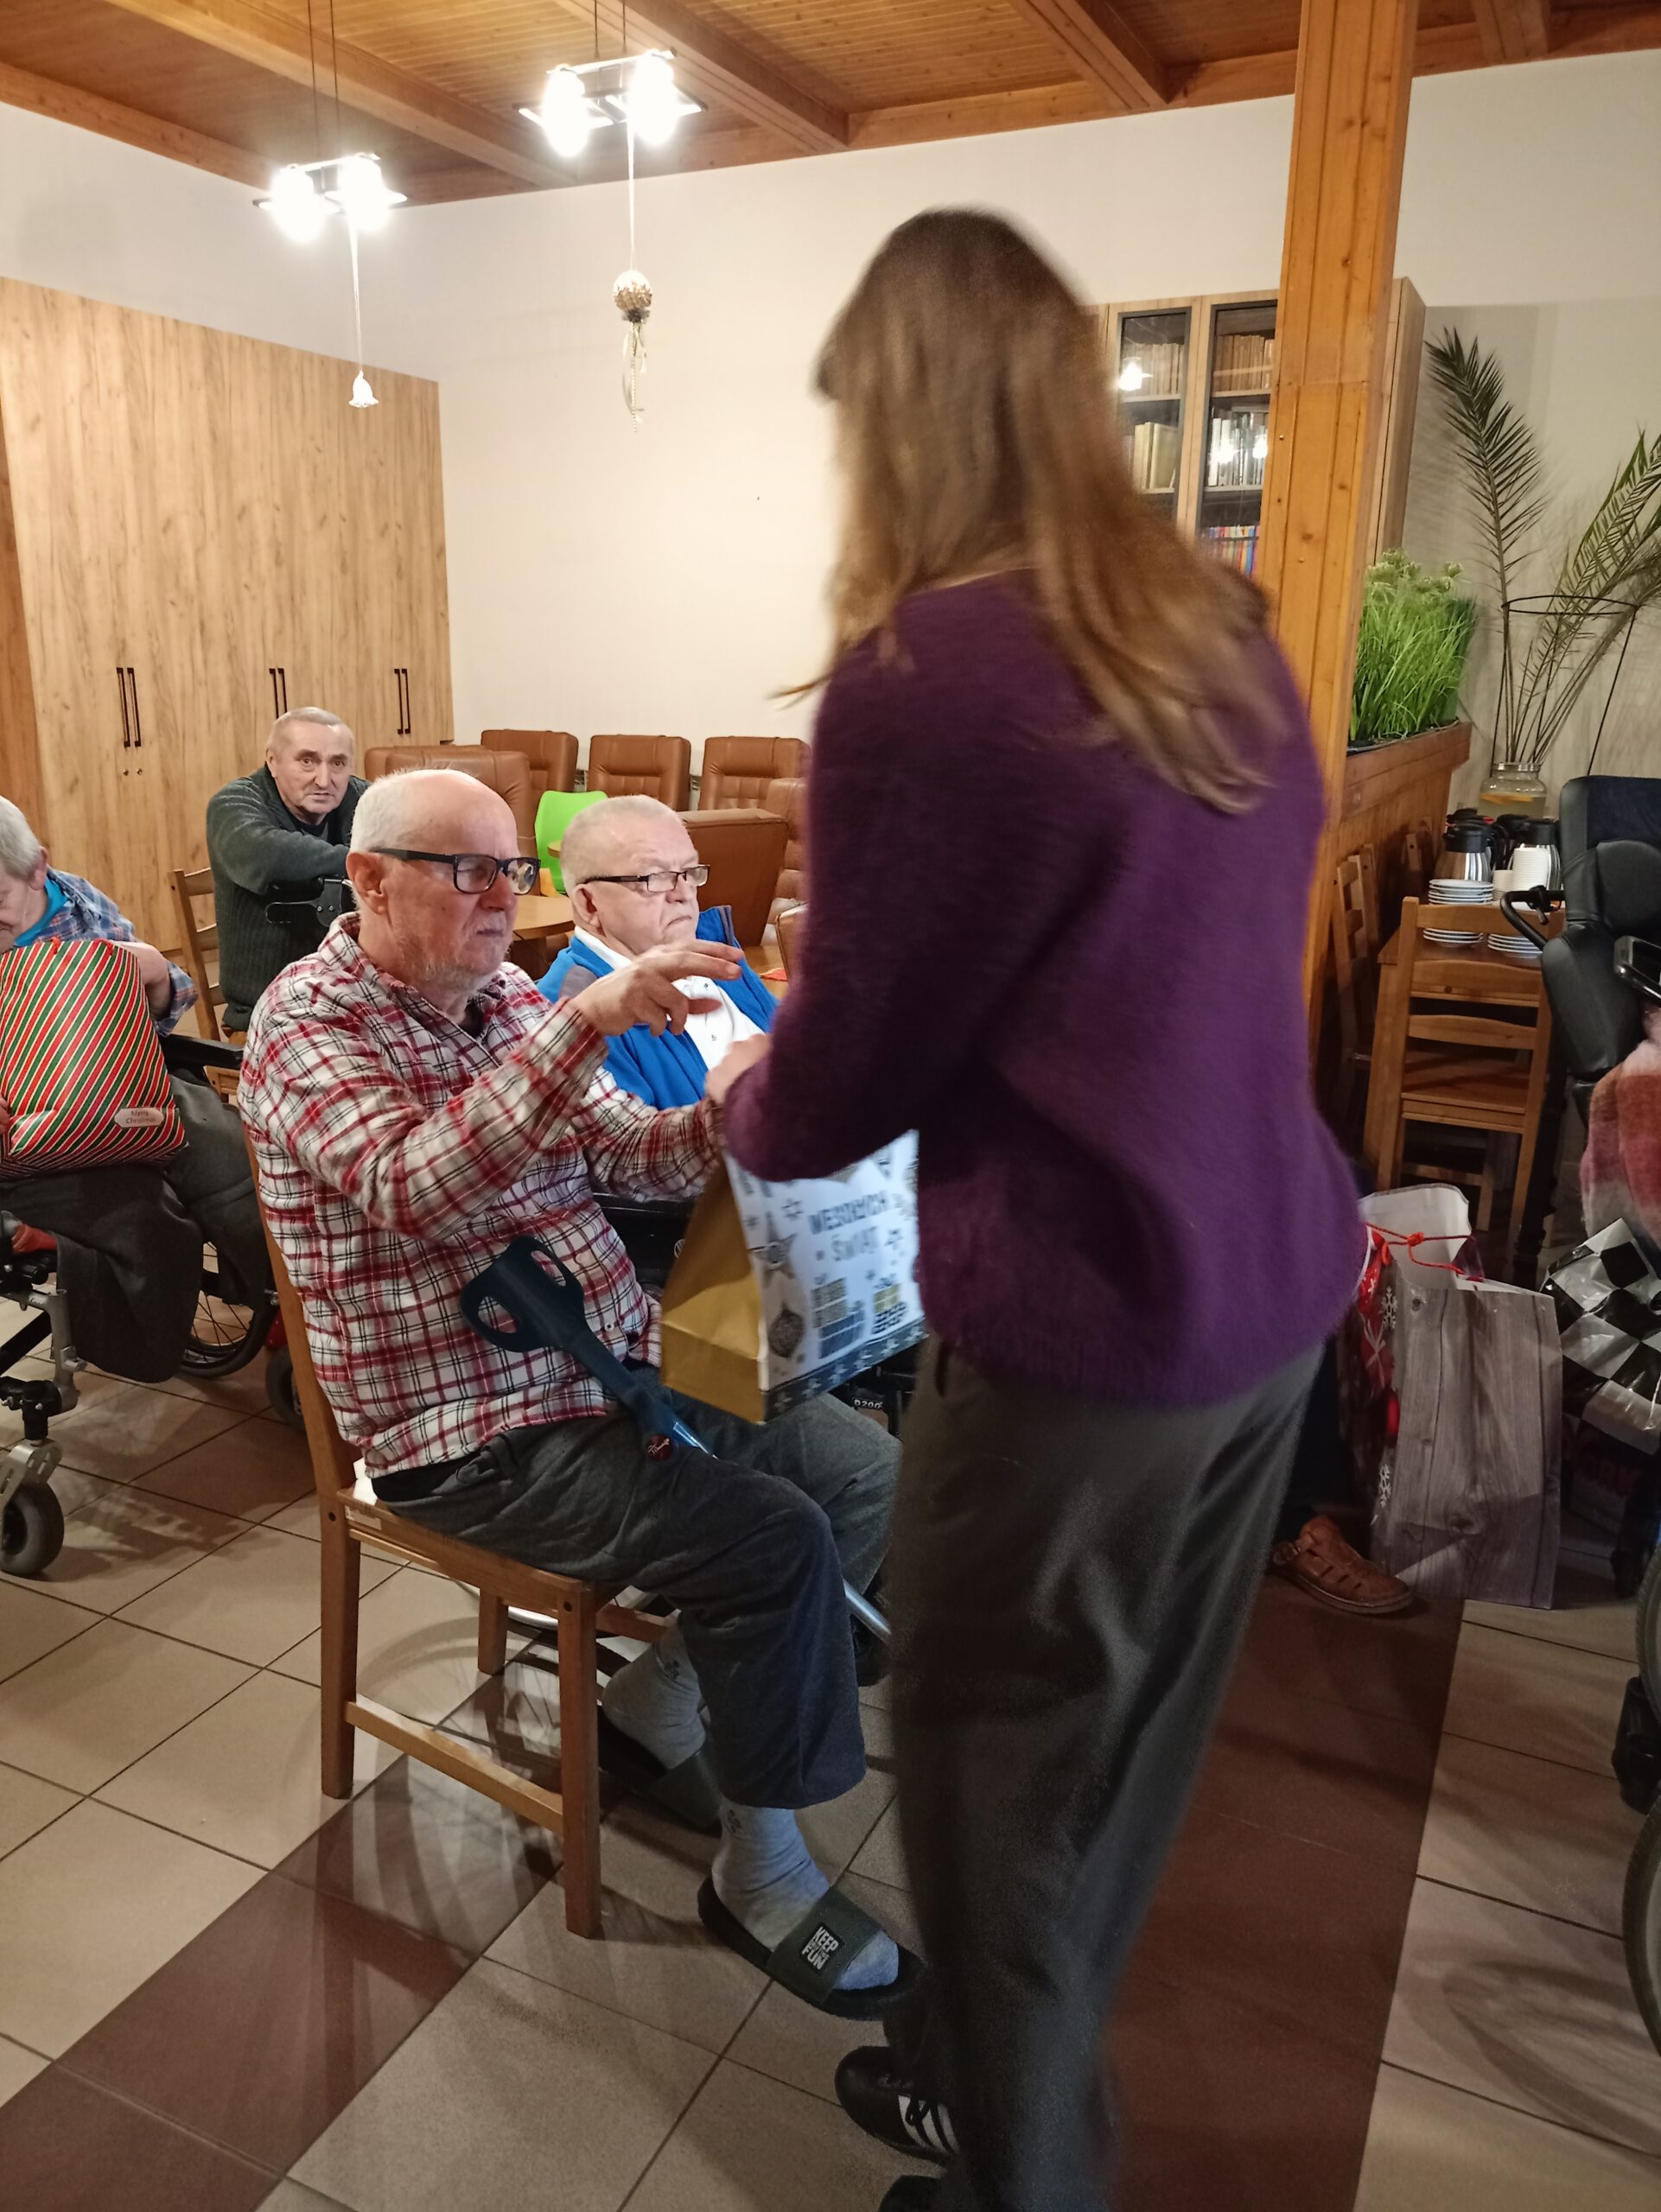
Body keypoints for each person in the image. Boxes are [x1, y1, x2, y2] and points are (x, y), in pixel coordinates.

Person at [709, 212, 1369, 2212]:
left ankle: (1025, 2172)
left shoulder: (924, 675)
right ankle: (979, 2083)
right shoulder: (1215, 624)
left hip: (1091, 1325)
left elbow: (845, 1081)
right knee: (1121, 1758)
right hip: (1272, 1289)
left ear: (903, 419)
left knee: (988, 1790)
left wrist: (741, 1079)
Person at [239, 768, 914, 2016]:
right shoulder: (305, 1023)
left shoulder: (499, 997)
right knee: (771, 1540)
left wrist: (730, 1116)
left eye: (509, 867)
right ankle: (759, 1876)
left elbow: (626, 1155)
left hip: (614, 1366)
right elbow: (416, 1185)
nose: (502, 895)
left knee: (867, 1473)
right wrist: (584, 1022)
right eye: (467, 870)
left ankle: (653, 1707)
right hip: (465, 1431)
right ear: (368, 879)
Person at [0, 797, 270, 1382]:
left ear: (37, 869)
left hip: (128, 1081)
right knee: (145, 1219)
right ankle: (144, 1346)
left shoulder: (75, 901)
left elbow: (164, 1006)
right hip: (22, 1126)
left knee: (239, 1163)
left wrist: (151, 971)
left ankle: (283, 1304)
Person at [539, 795, 778, 1108]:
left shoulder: (714, 946)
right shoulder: (570, 1017)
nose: (684, 893)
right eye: (655, 877)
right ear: (589, 905)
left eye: (689, 872)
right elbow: (639, 1140)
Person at [207, 705, 366, 1030]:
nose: (324, 779)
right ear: (273, 761)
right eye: (307, 761)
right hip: (271, 1009)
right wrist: (366, 863)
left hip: (356, 1000)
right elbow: (261, 857)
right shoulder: (234, 803)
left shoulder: (363, 798)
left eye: (338, 763)